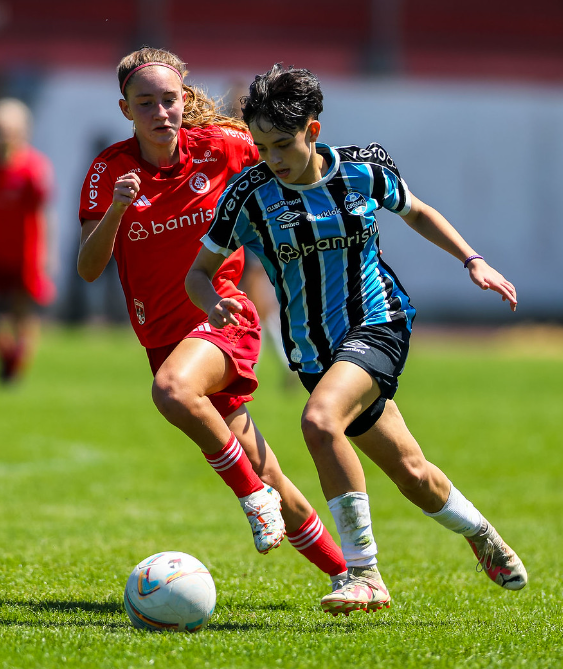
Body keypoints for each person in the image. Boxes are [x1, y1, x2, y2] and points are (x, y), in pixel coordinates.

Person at [187, 64, 528, 616]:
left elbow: (417, 211)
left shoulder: (363, 171)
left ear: (313, 131)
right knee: (411, 473)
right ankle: (482, 534)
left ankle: (364, 574)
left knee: (320, 422)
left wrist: (472, 260)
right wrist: (213, 302)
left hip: (378, 322)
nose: (272, 158)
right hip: (313, 353)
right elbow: (198, 274)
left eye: (282, 145)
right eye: (261, 147)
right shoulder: (248, 195)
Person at [76, 48, 346, 589]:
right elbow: (88, 268)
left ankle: (251, 499)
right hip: (164, 337)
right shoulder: (109, 170)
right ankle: (353, 576)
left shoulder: (222, 147)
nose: (160, 112)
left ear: (183, 100)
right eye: (145, 103)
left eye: (169, 100)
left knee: (172, 391)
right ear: (125, 109)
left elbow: (291, 160)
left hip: (223, 314)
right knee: (267, 470)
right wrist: (117, 211)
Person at [0, 98, 55, 383]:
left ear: (21, 133)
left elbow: (43, 214)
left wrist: (46, 255)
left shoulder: (33, 169)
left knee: (21, 315)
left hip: (23, 254)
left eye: (5, 130)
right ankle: (6, 355)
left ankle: (16, 368)